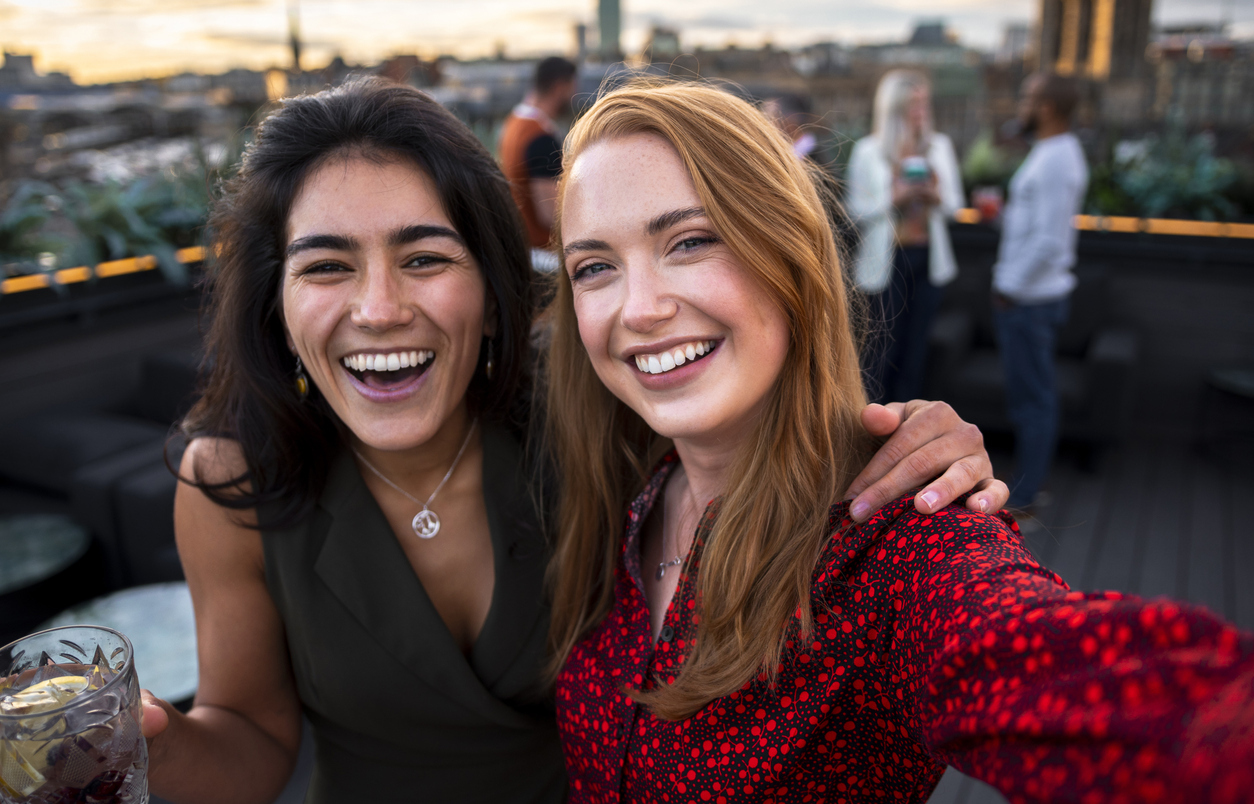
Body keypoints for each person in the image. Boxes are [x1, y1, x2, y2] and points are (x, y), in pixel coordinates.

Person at [134, 77, 1012, 804]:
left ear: (490, 288)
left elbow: (742, 381)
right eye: (326, 266)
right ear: (277, 310)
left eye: (426, 258)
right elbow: (248, 741)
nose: (378, 309)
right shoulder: (233, 482)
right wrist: (148, 742)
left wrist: (914, 444)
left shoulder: (590, 414)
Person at [545, 80, 1254, 803]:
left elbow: (1087, 682)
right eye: (595, 266)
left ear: (791, 252)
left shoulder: (892, 546)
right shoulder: (621, 488)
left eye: (690, 241)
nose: (639, 308)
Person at [993, 73, 1088, 513]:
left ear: (1047, 107)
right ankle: (1028, 488)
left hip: (1029, 301)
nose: (1022, 103)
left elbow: (1050, 240)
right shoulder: (1051, 154)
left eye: (1028, 97)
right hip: (1027, 297)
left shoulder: (1056, 160)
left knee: (1033, 401)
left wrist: (1008, 288)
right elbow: (1036, 227)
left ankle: (1027, 497)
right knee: (1029, 396)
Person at [848, 70, 964, 403]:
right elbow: (854, 211)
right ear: (893, 106)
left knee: (917, 352)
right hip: (886, 264)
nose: (921, 111)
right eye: (914, 103)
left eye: (924, 103)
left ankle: (906, 433)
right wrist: (893, 199)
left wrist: (935, 196)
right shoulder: (868, 151)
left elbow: (955, 207)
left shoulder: (939, 146)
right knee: (880, 351)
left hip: (928, 260)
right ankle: (870, 429)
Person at [500, 56, 578, 251]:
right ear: (560, 87)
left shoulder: (514, 122)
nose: (573, 95)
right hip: (544, 252)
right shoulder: (540, 136)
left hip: (523, 245)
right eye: (572, 88)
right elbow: (549, 213)